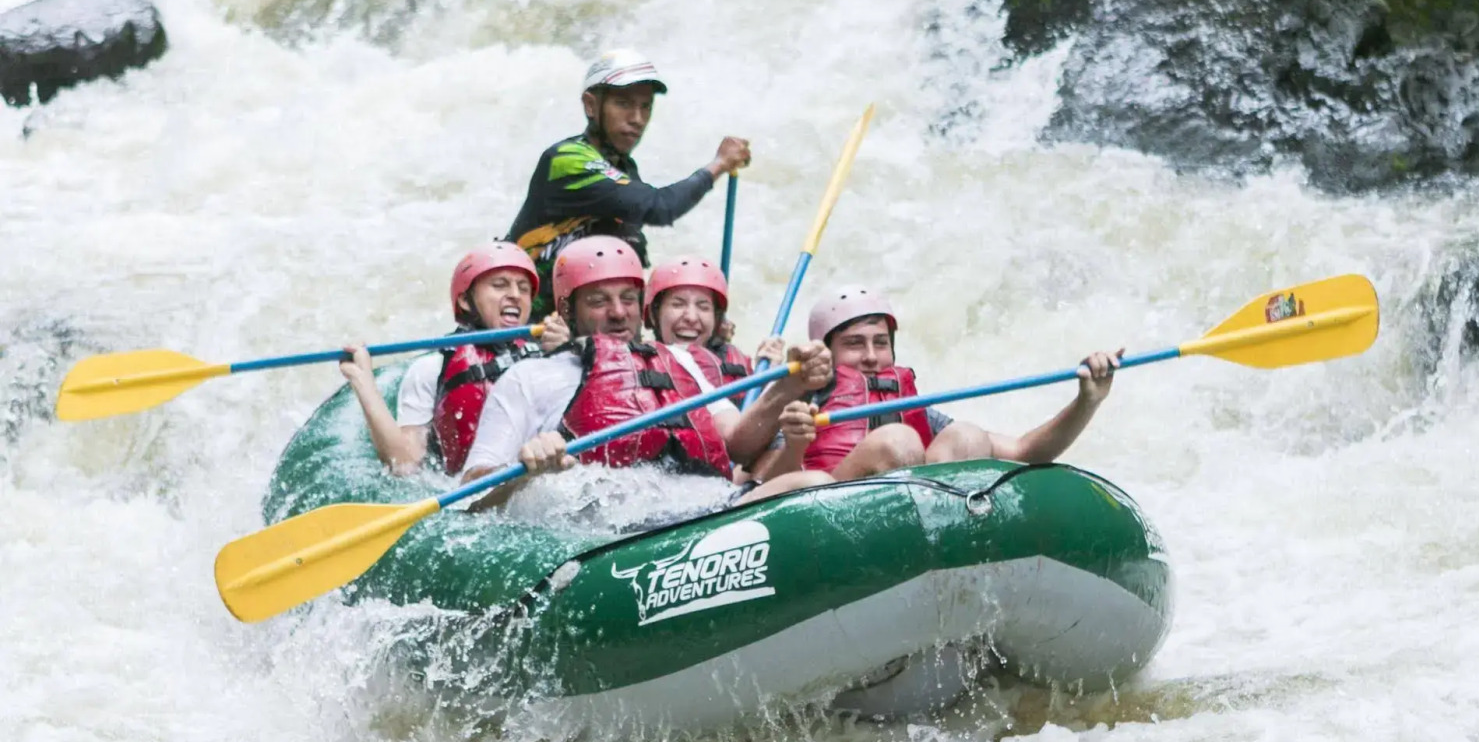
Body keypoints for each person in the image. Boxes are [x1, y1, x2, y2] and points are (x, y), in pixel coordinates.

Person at [460, 236, 832, 509]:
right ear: (567, 309)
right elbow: (471, 495)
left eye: (627, 298)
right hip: (617, 532)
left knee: (815, 484)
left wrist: (789, 385)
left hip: (706, 507)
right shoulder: (529, 378)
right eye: (599, 301)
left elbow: (737, 443)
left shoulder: (677, 360)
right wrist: (524, 470)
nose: (619, 313)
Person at [761, 287, 1122, 481]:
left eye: (881, 343)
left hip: (918, 521)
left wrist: (1086, 402)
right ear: (827, 351)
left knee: (967, 436)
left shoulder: (907, 406)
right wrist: (794, 443)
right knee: (896, 440)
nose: (872, 356)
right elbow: (764, 484)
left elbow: (1025, 451)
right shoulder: (800, 401)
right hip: (827, 516)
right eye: (855, 344)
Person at [505, 49, 751, 318]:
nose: (637, 119)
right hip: (524, 326)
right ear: (590, 105)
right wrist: (718, 164)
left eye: (645, 106)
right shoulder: (567, 158)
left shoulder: (624, 168)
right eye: (623, 104)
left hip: (580, 326)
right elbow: (660, 207)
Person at [338, 242, 569, 476]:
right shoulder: (433, 369)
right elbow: (404, 463)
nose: (515, 295)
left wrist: (573, 353)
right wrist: (363, 382)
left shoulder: (550, 356)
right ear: (465, 301)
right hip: (472, 498)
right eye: (499, 285)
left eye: (523, 288)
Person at [642, 255, 783, 386]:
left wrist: (766, 383)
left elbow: (758, 409)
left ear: (716, 319)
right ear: (654, 315)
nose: (691, 317)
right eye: (678, 304)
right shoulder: (633, 366)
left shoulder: (737, 367)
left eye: (703, 307)